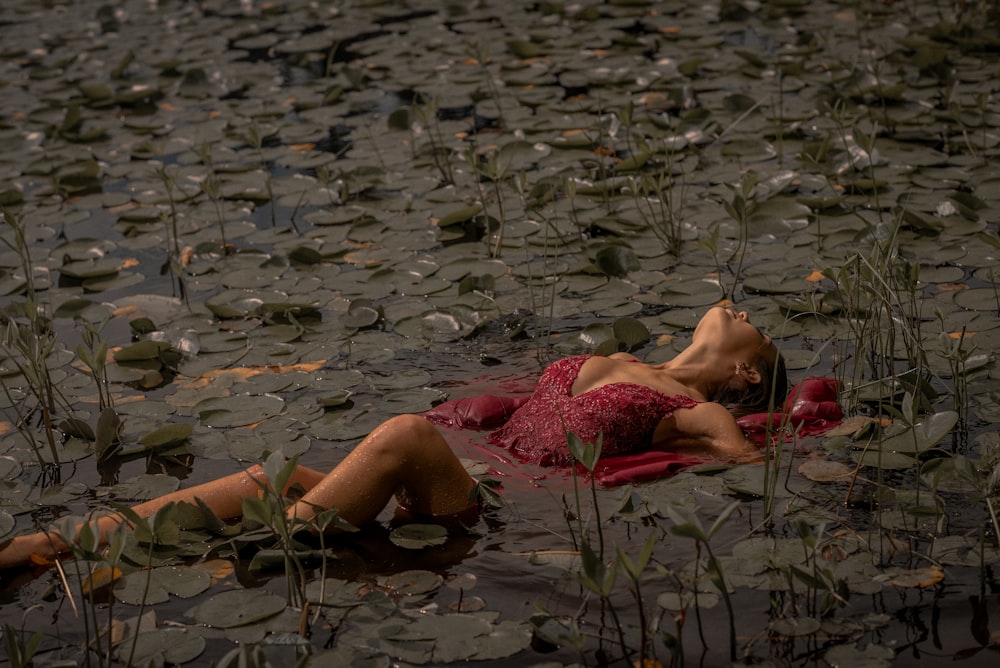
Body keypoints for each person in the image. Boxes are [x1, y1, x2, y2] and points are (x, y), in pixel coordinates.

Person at [0, 307, 785, 570]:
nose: (729, 303)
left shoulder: (700, 408)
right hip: (466, 473)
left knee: (405, 432)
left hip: (481, 508)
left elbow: (752, 472)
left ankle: (245, 561)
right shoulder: (628, 358)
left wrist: (820, 449)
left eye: (746, 315)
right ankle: (41, 547)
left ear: (748, 375)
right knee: (258, 477)